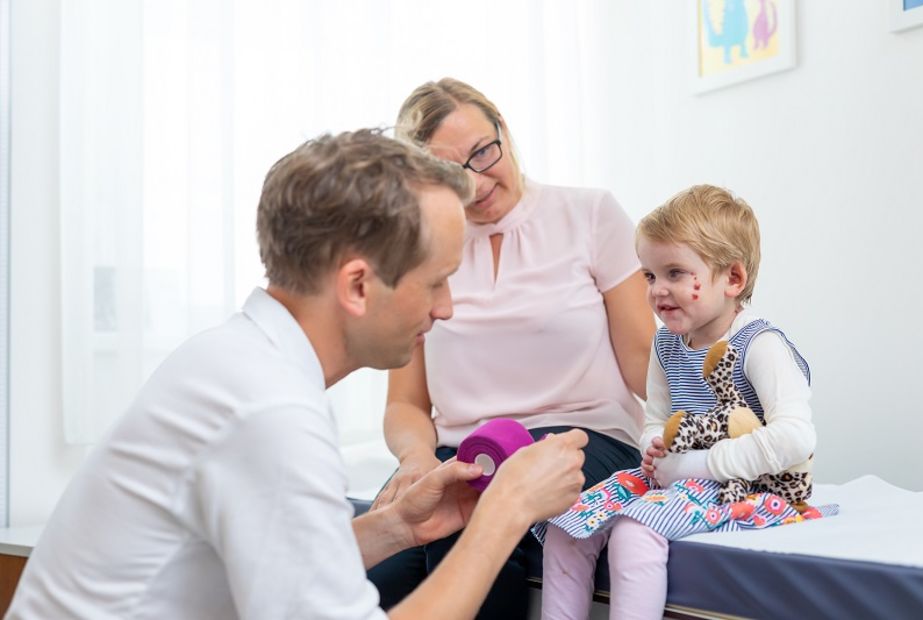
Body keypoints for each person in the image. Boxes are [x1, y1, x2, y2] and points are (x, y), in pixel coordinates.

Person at [5, 129, 591, 620]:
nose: (446, 308)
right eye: (436, 280)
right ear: (358, 285)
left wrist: (395, 529)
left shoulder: (234, 360)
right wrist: (505, 514)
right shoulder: (269, 410)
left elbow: (276, 571)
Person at [367, 78, 656, 617]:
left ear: (503, 129)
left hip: (582, 439)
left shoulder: (590, 215)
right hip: (463, 454)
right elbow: (405, 403)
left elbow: (645, 364)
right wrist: (416, 459)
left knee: (474, 513)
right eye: (453, 174)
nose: (477, 181)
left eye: (483, 151)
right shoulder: (421, 253)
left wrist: (707, 421)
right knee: (371, 579)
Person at [540, 184, 816, 619]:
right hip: (675, 476)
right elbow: (656, 419)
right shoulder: (667, 344)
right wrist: (654, 445)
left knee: (635, 530)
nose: (656, 290)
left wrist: (698, 466)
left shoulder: (758, 345)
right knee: (569, 524)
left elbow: (796, 438)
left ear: (733, 279)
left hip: (745, 484)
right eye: (650, 275)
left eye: (673, 273)